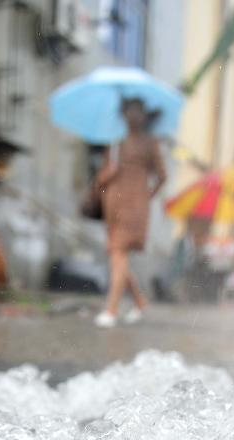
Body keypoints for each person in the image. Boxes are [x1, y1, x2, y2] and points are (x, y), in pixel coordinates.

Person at [94, 98, 167, 328]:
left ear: (144, 116)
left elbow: (162, 176)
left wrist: (147, 197)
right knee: (118, 257)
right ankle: (140, 302)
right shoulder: (115, 144)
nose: (133, 117)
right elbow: (100, 182)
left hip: (135, 207)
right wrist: (110, 172)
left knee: (118, 254)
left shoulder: (150, 143)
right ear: (123, 115)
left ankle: (111, 309)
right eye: (129, 112)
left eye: (138, 112)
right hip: (113, 206)